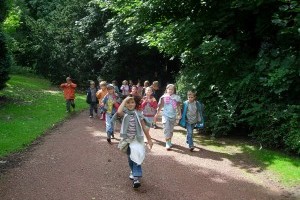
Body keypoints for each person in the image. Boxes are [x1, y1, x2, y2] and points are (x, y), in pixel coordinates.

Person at [116, 95, 153, 188]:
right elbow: (118, 112)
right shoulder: (124, 113)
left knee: (136, 156)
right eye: (128, 102)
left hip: (137, 139)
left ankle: (136, 178)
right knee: (130, 158)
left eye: (132, 102)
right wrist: (125, 100)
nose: (130, 104)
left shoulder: (138, 114)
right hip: (127, 140)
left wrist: (149, 139)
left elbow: (144, 127)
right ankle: (133, 171)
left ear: (136, 103)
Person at [154, 84, 181, 150]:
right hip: (165, 115)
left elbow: (178, 106)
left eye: (172, 89)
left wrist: (179, 114)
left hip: (173, 115)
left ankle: (169, 141)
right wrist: (157, 113)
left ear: (174, 90)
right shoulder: (163, 97)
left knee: (171, 130)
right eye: (169, 89)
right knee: (166, 129)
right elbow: (160, 106)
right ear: (166, 89)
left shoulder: (177, 97)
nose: (170, 90)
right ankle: (167, 143)